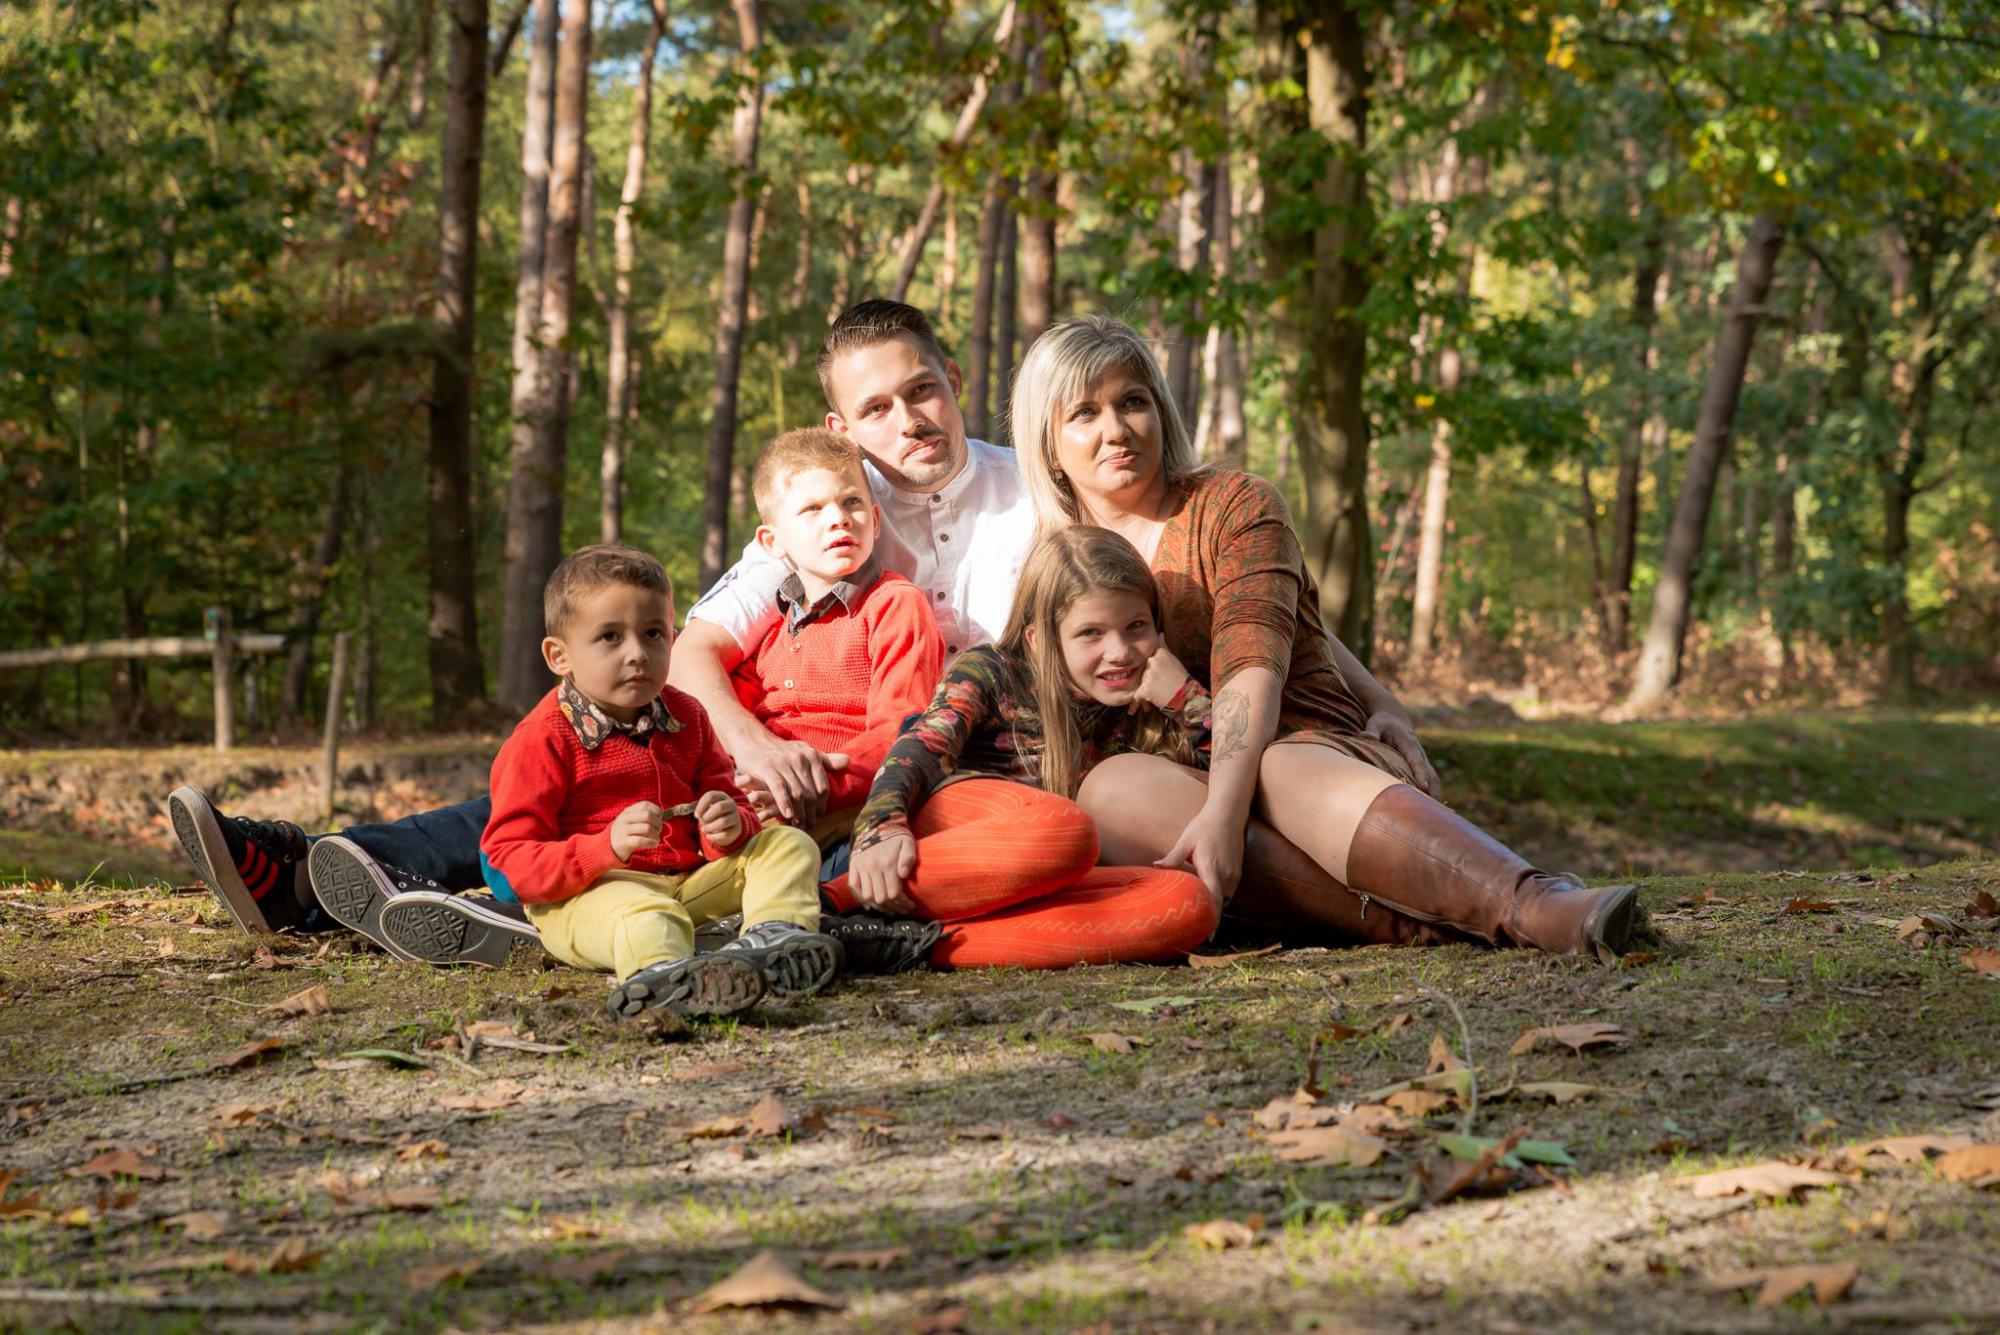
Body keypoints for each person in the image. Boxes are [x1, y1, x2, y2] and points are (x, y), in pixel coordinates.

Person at [165, 299, 1035, 967]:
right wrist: (754, 749)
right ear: (842, 427)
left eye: (922, 390)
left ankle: (514, 917)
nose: (908, 419)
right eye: (876, 407)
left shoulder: (1029, 500)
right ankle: (308, 868)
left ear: (953, 378)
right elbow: (696, 648)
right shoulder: (822, 506)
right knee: (574, 783)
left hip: (901, 787)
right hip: (756, 765)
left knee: (726, 844)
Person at [1006, 315, 1650, 961]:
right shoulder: (1055, 565)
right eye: (1084, 413)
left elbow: (1256, 655)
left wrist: (1368, 711)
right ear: (1048, 442)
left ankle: (1534, 902)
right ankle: (1421, 925)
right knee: (1110, 788)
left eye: (1133, 401)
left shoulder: (1233, 503)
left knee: (1277, 764)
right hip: (1190, 783)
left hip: (1317, 753)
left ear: (1161, 411)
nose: (1116, 429)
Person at [480, 543, 840, 1019]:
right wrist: (604, 846)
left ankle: (774, 946)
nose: (637, 654)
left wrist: (731, 826)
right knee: (649, 917)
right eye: (610, 638)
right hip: (588, 899)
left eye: (653, 634)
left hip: (685, 884)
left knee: (788, 844)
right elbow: (509, 862)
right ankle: (665, 983)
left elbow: (735, 804)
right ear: (559, 656)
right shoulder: (543, 740)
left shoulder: (686, 715)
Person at [836, 526, 1219, 968]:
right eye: (1091, 633)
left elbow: (1225, 777)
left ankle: (898, 943)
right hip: (967, 842)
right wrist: (882, 825)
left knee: (1186, 901)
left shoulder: (1150, 697)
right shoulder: (992, 672)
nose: (1120, 652)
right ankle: (830, 902)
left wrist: (1185, 698)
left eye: (1136, 626)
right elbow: (918, 748)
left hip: (1048, 878)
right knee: (1064, 828)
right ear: (1041, 640)